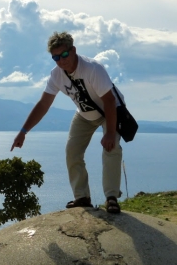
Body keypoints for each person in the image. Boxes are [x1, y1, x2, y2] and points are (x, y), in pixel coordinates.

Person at [10, 31, 123, 214]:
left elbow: (110, 101)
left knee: (112, 147)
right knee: (72, 151)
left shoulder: (93, 69)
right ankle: (82, 198)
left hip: (109, 111)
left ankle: (111, 198)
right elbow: (43, 104)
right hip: (85, 115)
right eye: (56, 57)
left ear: (73, 50)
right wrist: (23, 131)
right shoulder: (56, 75)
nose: (61, 61)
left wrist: (110, 133)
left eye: (64, 54)